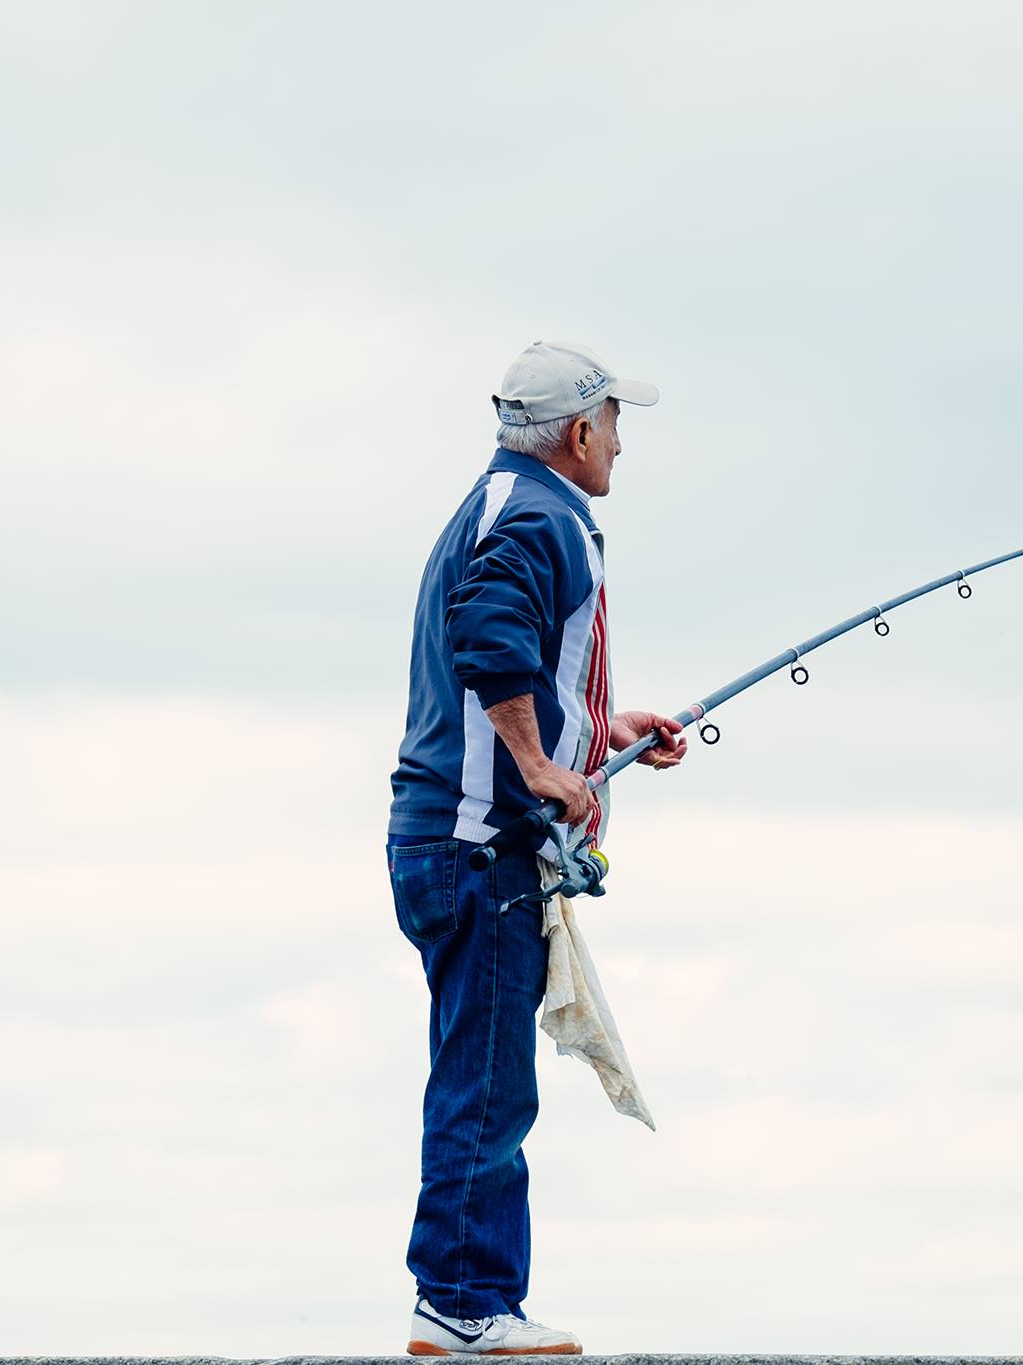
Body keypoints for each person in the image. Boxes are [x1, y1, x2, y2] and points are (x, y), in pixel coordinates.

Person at [385, 340, 688, 1356]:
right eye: (614, 423)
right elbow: (489, 637)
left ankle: (463, 1300)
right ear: (577, 431)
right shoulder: (539, 515)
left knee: (483, 1074)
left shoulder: (502, 507)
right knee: (487, 1080)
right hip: (479, 847)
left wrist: (599, 732)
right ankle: (463, 1305)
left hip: (450, 838)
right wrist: (539, 764)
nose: (619, 445)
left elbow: (509, 665)